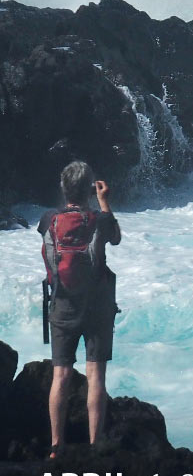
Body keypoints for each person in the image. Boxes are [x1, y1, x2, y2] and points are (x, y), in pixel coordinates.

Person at [38, 161, 122, 458]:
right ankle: (94, 445)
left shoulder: (48, 219)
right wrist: (103, 200)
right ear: (88, 188)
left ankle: (55, 446)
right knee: (95, 375)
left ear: (63, 188)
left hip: (61, 304)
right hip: (97, 306)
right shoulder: (98, 219)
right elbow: (116, 237)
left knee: (60, 374)